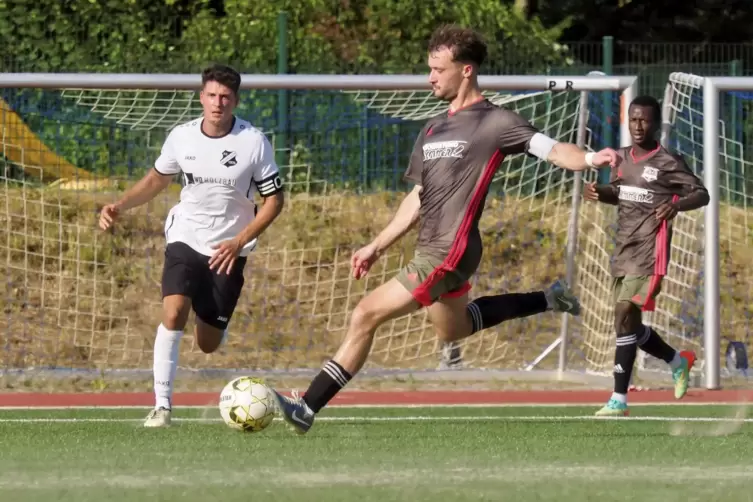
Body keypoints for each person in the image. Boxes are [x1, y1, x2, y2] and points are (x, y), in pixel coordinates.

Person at [271, 24, 620, 435]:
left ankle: (306, 408)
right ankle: (547, 299)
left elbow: (554, 150)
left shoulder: (496, 121)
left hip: (450, 250)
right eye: (430, 69)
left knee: (364, 314)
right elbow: (418, 197)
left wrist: (593, 157)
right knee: (454, 329)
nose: (430, 77)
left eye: (438, 69)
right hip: (432, 246)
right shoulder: (432, 128)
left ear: (466, 70)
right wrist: (376, 246)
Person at [98, 64, 285, 427]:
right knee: (173, 313)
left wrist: (239, 241)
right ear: (201, 97)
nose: (218, 103)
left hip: (229, 249)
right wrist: (119, 205)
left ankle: (212, 315)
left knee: (208, 343)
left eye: (226, 97)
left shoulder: (253, 142)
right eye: (212, 95)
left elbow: (275, 201)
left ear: (236, 101)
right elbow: (156, 179)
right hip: (185, 235)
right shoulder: (181, 137)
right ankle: (162, 406)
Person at [583, 95, 709, 417]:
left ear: (655, 125)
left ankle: (618, 400)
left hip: (651, 251)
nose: (639, 126)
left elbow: (702, 193)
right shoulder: (621, 159)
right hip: (623, 249)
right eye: (634, 119)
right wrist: (601, 192)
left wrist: (676, 205)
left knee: (624, 315)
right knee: (627, 327)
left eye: (645, 120)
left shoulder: (668, 161)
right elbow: (624, 196)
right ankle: (677, 361)